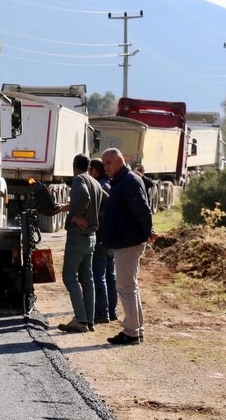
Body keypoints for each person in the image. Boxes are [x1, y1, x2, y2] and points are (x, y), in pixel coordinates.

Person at [100, 147, 157, 345]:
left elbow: (143, 210)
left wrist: (147, 233)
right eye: (103, 163)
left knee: (125, 287)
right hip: (126, 240)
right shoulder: (122, 180)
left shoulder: (129, 181)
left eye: (108, 163)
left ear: (120, 161)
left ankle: (132, 332)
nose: (105, 167)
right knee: (129, 287)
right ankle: (135, 329)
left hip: (128, 242)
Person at [55, 153, 107, 334]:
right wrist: (66, 207)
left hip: (77, 237)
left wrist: (77, 215)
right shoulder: (95, 182)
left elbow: (84, 196)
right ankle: (89, 319)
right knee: (88, 277)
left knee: (69, 277)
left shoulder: (78, 180)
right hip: (91, 236)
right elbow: (103, 201)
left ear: (74, 166)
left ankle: (80, 319)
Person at [89, 157, 117, 324]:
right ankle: (112, 311)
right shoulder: (112, 184)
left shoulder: (98, 186)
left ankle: (102, 312)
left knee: (97, 274)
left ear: (94, 170)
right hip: (113, 236)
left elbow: (93, 210)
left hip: (101, 236)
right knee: (110, 274)